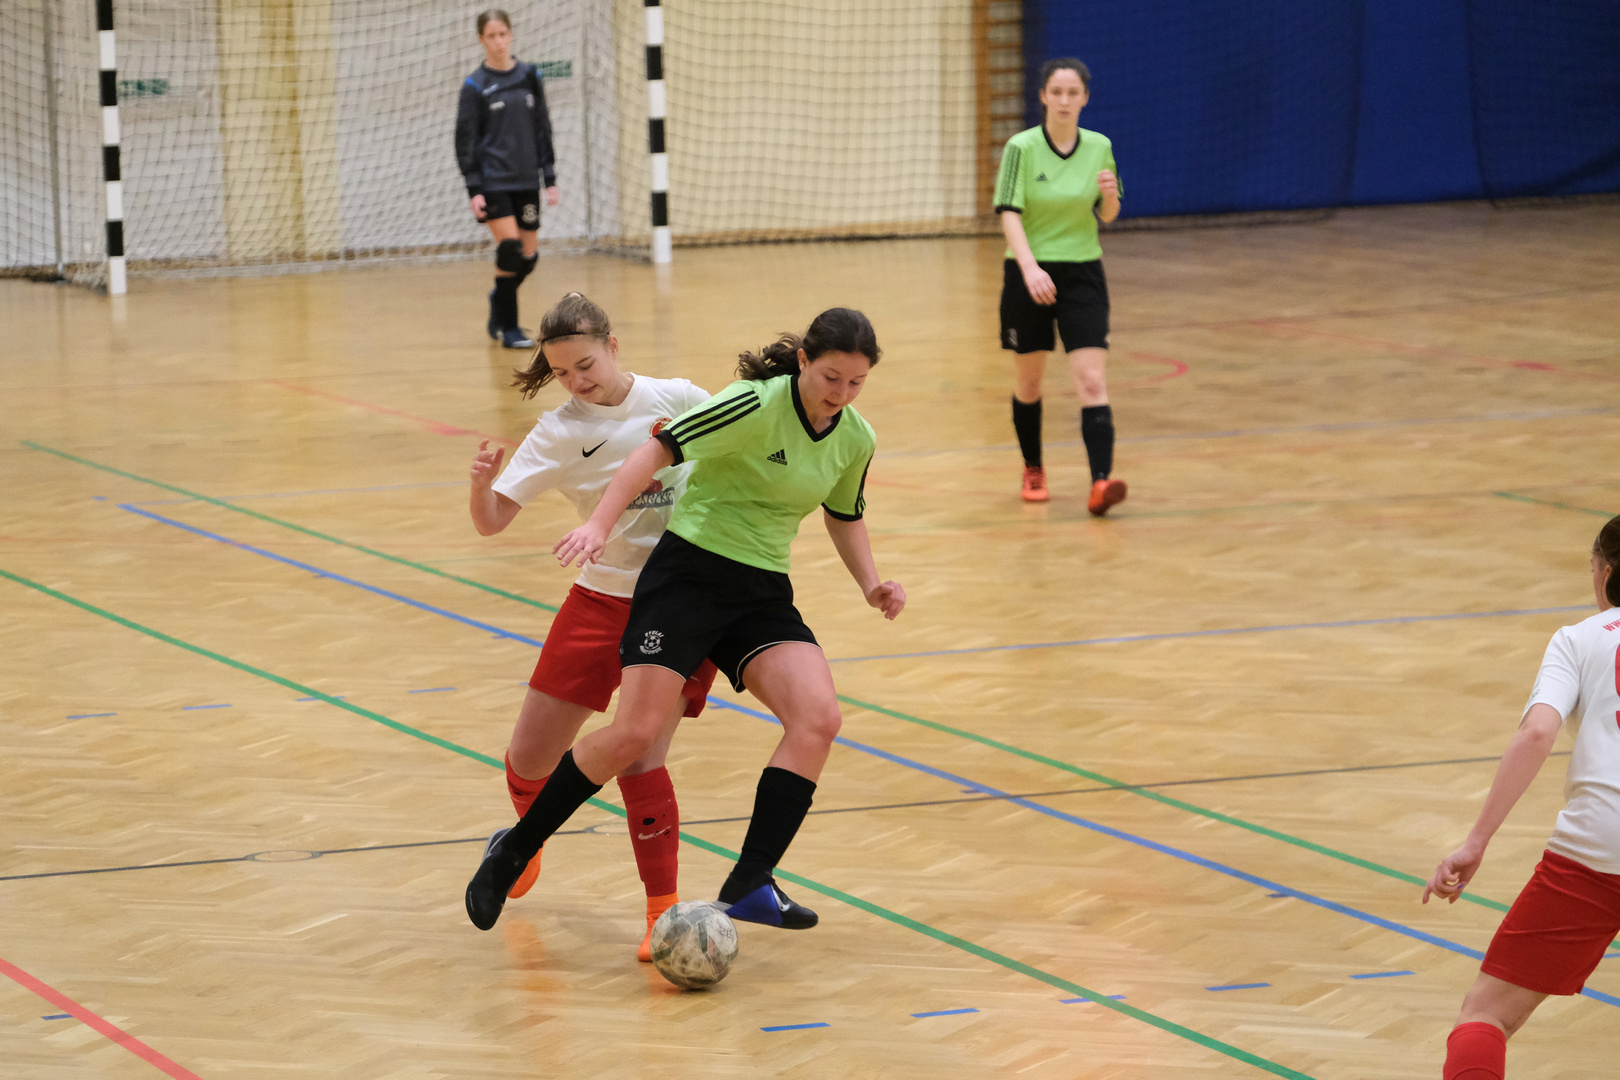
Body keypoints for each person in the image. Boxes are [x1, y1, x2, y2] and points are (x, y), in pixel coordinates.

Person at [464, 307, 906, 934]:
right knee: (634, 735)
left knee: (818, 719)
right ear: (805, 360)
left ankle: (751, 880)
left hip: (760, 589)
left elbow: (845, 513)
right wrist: (598, 525)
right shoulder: (752, 404)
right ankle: (514, 850)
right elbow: (654, 451)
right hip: (689, 575)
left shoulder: (855, 436)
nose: (842, 393)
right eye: (832, 378)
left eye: (856, 382)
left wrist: (871, 584)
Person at [468, 291, 718, 960]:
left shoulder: (679, 398)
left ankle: (661, 914)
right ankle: (525, 844)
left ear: (613, 346)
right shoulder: (558, 432)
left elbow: (742, 442)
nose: (577, 382)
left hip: (678, 605)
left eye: (586, 365)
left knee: (642, 755)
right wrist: (482, 486)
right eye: (561, 373)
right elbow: (492, 521)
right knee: (529, 757)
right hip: (599, 600)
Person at [1423, 515, 1620, 1080]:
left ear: (1606, 572)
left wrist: (1476, 841)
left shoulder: (1578, 639)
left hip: (1595, 851)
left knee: (1485, 1015)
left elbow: (1537, 733)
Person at [994, 57, 1126, 513]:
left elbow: (1108, 214)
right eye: (1057, 92)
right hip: (1029, 272)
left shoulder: (1100, 146)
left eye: (1073, 93)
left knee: (1092, 380)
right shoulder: (1021, 147)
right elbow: (1008, 213)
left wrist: (1109, 195)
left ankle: (1101, 483)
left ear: (1085, 98)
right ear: (1043, 97)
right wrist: (1030, 268)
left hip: (1083, 272)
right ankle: (1033, 467)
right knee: (1029, 383)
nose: (1065, 101)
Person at [455, 9, 560, 350]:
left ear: (511, 34)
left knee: (529, 256)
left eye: (502, 34)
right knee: (511, 250)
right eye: (491, 36)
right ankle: (510, 329)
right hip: (494, 182)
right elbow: (465, 140)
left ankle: (499, 298)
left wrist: (549, 177)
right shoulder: (475, 85)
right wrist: (474, 189)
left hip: (526, 179)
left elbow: (542, 127)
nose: (498, 42)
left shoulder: (529, 76)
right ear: (481, 39)